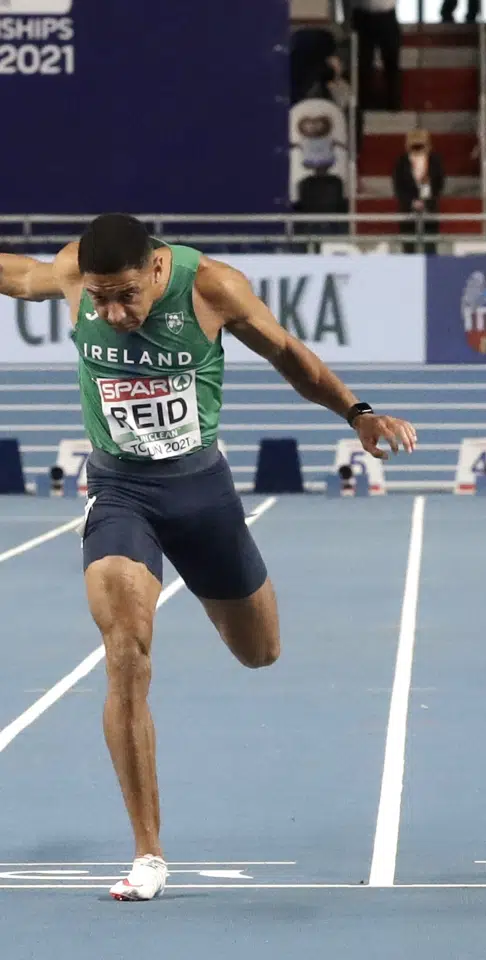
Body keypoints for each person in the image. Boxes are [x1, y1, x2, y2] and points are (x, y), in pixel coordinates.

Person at [0, 214, 418, 900]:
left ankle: (204, 581)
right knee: (126, 649)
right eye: (99, 299)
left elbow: (291, 357)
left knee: (261, 650)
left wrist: (357, 412)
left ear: (156, 270)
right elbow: (18, 276)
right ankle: (148, 854)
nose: (112, 313)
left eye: (125, 296)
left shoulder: (212, 288)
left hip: (200, 493)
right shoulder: (78, 270)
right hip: (118, 490)